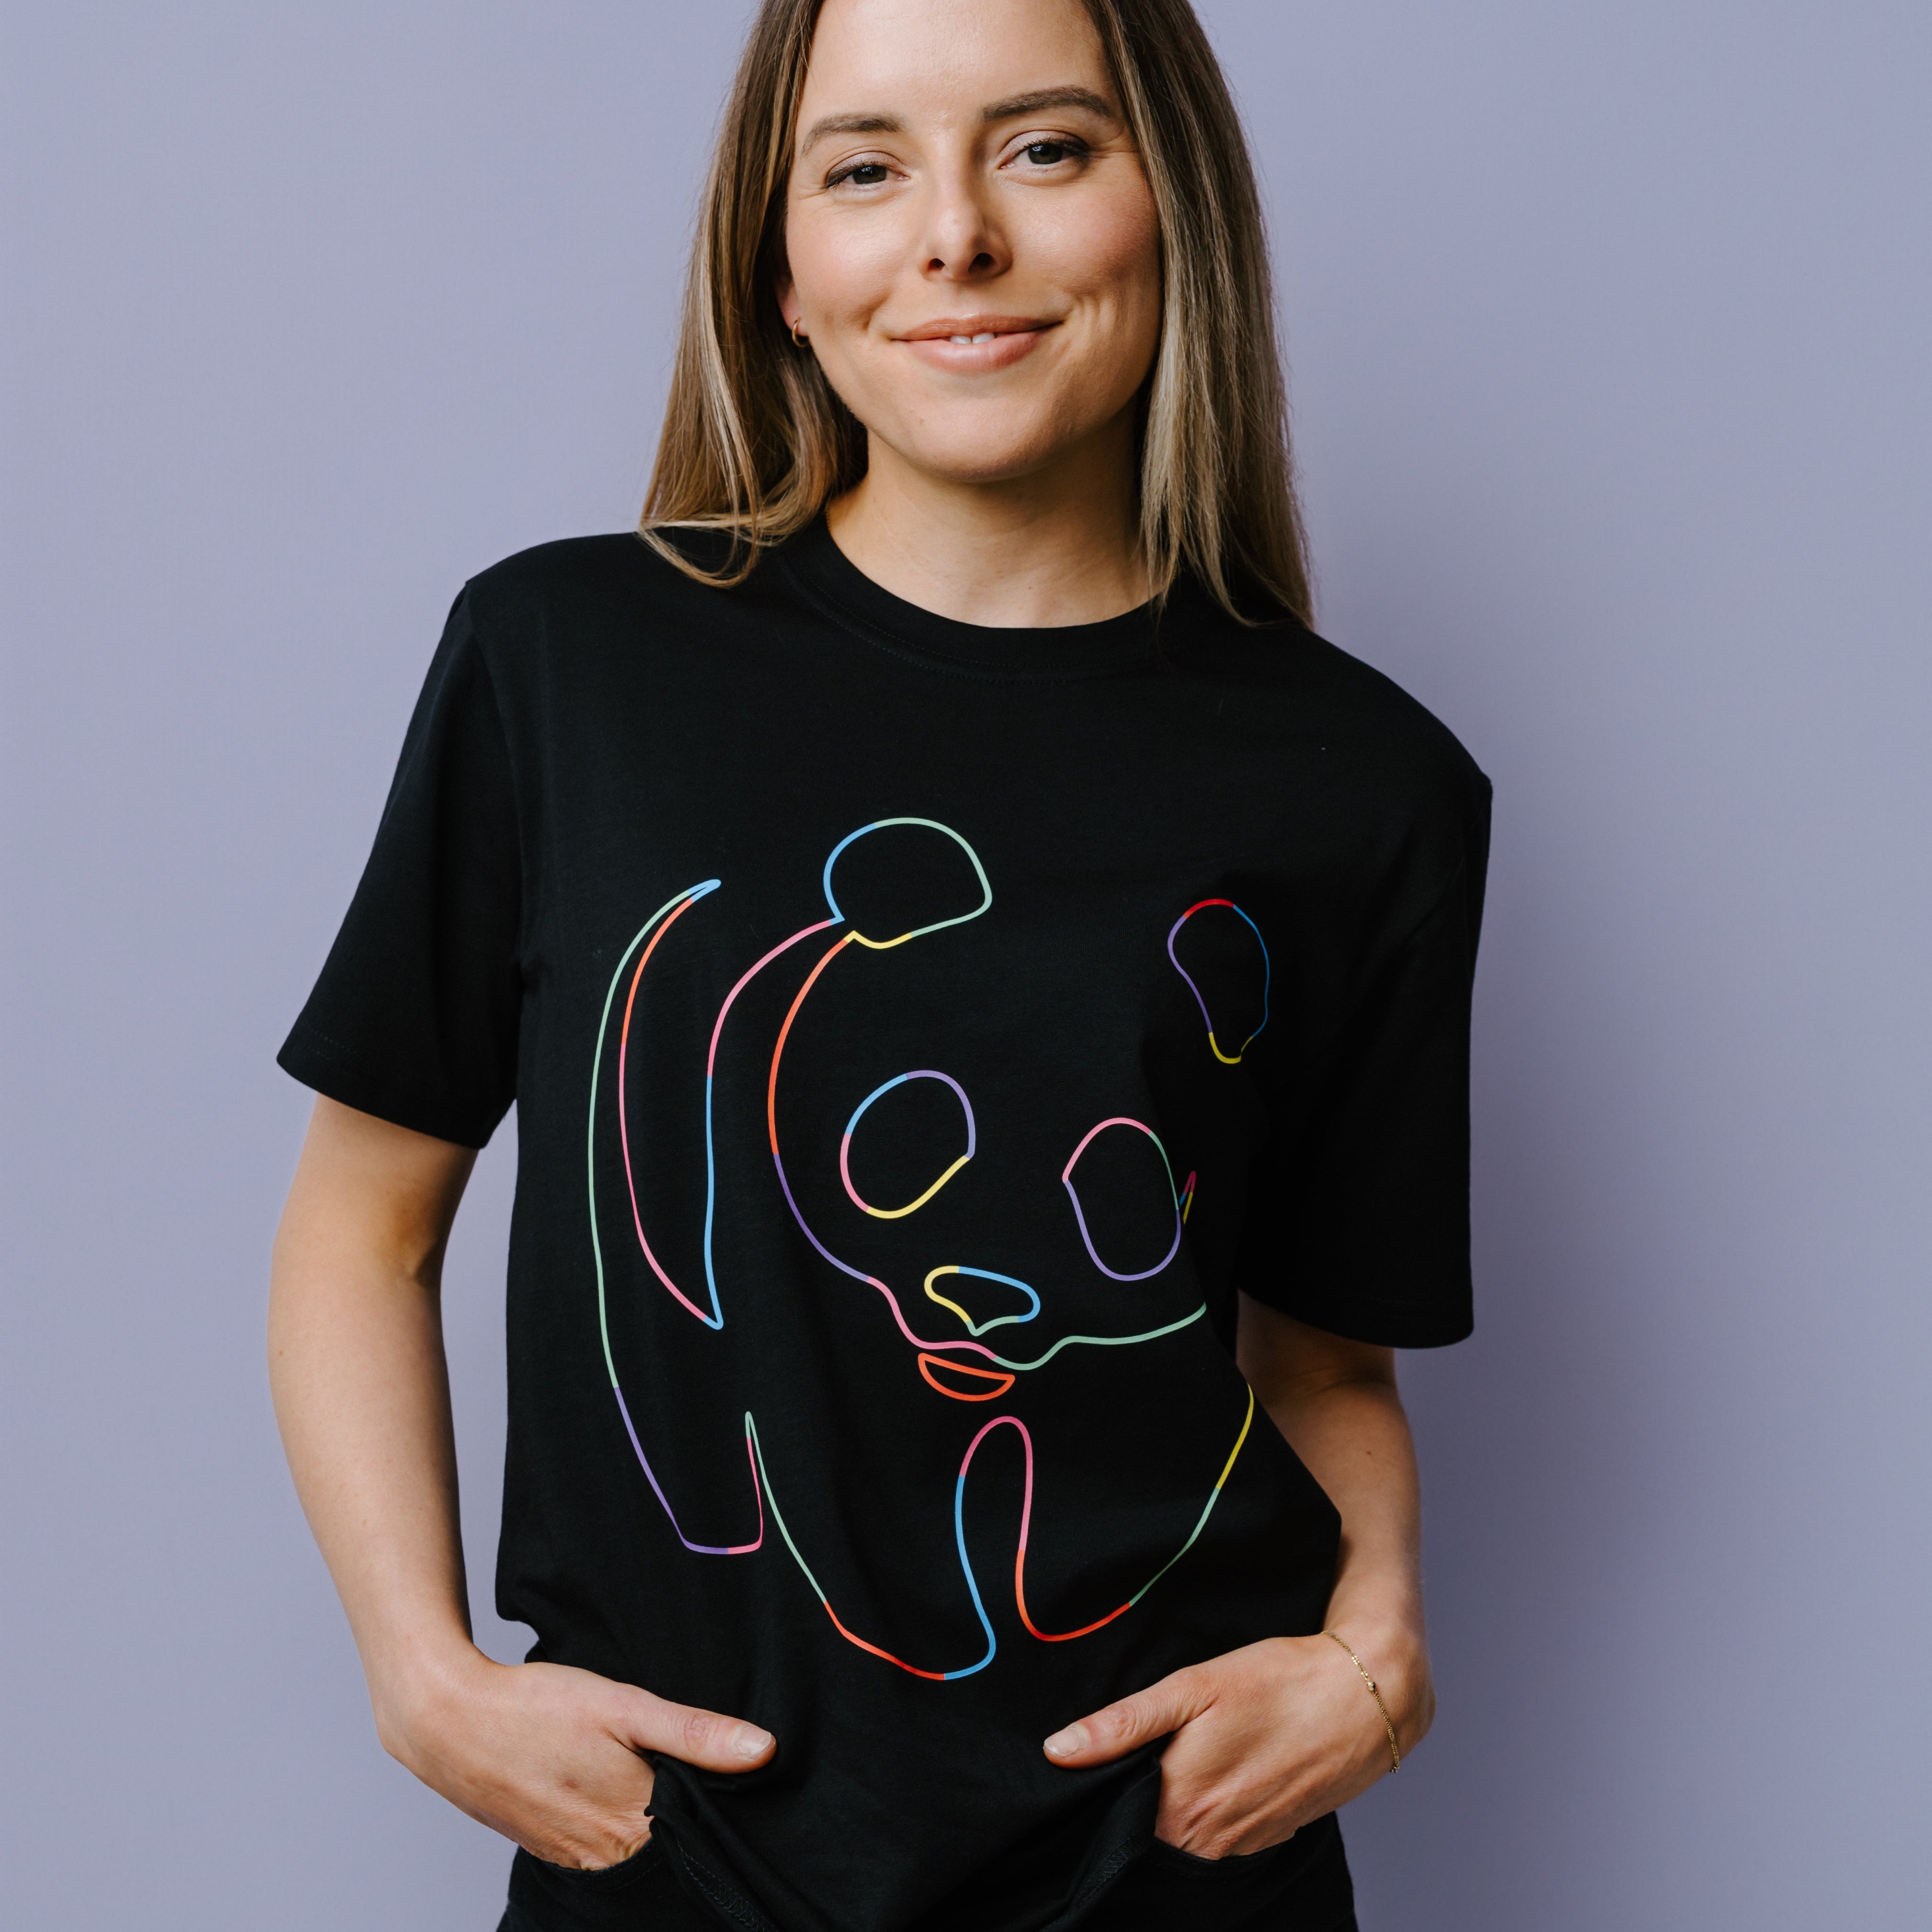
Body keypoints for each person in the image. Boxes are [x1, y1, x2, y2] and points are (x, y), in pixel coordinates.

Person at [267, 0, 1491, 1927]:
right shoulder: (568, 668)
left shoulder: (1369, 785)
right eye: (865, 167)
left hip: (1171, 1866)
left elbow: (1325, 1354)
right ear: (779, 269)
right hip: (680, 1866)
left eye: (1045, 146)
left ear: (1171, 207)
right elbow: (363, 1225)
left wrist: (1382, 1643)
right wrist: (424, 1680)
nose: (953, 238)